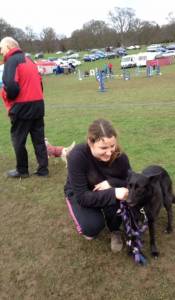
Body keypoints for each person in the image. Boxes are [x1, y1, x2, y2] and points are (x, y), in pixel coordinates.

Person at [64, 119, 130, 252]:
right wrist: (114, 193)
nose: (109, 152)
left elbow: (131, 181)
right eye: (103, 148)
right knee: (91, 228)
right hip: (81, 192)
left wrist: (112, 183)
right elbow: (82, 197)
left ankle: (115, 230)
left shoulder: (120, 157)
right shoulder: (77, 156)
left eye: (112, 146)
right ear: (90, 142)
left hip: (105, 189)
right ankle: (90, 217)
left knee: (122, 202)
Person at [0, 37, 48, 178]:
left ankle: (22, 170)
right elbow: (40, 83)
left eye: (1, 48)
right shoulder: (30, 60)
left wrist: (10, 100)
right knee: (38, 140)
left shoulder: (11, 61)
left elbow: (10, 85)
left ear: (8, 47)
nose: (1, 52)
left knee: (18, 140)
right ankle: (43, 169)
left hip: (22, 107)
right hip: (38, 104)